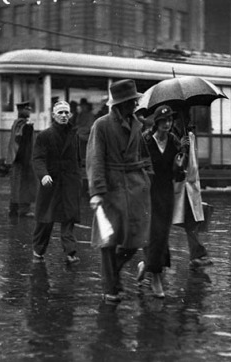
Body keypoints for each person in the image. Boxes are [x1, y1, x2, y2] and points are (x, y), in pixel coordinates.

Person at [86, 79, 152, 303]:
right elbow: (95, 160)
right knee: (109, 241)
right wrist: (97, 191)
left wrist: (147, 177)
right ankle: (110, 288)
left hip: (134, 188)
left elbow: (144, 155)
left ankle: (113, 273)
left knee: (135, 238)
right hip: (111, 188)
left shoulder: (137, 124)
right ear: (120, 104)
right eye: (132, 101)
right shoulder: (101, 125)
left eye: (135, 101)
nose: (135, 105)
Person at [138, 105, 182, 298]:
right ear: (156, 123)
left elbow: (178, 174)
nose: (167, 124)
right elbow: (137, 165)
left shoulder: (174, 142)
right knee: (153, 233)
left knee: (162, 233)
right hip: (148, 192)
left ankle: (145, 265)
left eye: (170, 121)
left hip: (166, 192)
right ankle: (155, 277)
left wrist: (182, 163)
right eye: (164, 121)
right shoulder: (145, 141)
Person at [31, 101, 82, 264]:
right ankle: (38, 251)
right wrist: (43, 175)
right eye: (60, 113)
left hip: (69, 182)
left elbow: (77, 159)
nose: (64, 116)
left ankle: (70, 252)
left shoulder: (74, 135)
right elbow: (38, 158)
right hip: (50, 183)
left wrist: (78, 178)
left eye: (66, 113)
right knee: (46, 219)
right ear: (53, 115)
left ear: (71, 115)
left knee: (69, 217)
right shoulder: (44, 135)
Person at [172, 107, 213, 268]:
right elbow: (177, 161)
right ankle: (197, 255)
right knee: (190, 221)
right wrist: (181, 147)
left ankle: (197, 255)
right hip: (180, 185)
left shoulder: (187, 135)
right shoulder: (176, 137)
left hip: (188, 185)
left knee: (191, 221)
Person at [6, 101, 37, 217]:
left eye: (29, 109)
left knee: (17, 184)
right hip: (22, 158)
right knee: (24, 183)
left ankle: (14, 209)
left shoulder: (16, 123)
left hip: (17, 158)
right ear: (20, 111)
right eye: (26, 109)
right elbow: (21, 142)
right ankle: (23, 209)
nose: (29, 111)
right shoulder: (23, 125)